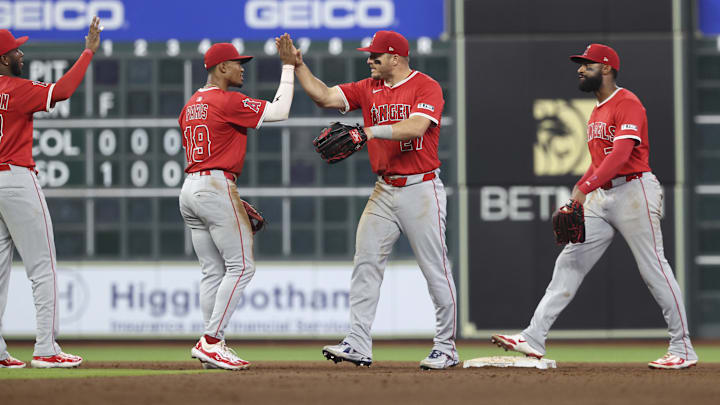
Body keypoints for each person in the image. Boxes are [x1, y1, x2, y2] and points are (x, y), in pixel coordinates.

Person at [491, 44, 699, 370]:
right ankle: (534, 336)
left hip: (635, 190)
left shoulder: (627, 103)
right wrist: (581, 189)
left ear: (606, 68)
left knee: (653, 268)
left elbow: (620, 155)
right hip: (604, 196)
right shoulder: (597, 111)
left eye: (586, 64)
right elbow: (599, 162)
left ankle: (682, 347)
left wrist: (583, 189)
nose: (579, 69)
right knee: (570, 262)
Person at [290, 30, 458, 370]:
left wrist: (369, 131)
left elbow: (415, 127)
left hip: (421, 188)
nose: (369, 61)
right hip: (384, 189)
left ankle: (446, 347)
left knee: (434, 270)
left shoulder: (426, 86)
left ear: (395, 58)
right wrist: (297, 65)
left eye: (375, 56)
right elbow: (323, 96)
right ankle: (358, 342)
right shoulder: (368, 88)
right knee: (365, 264)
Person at [179, 34, 296, 370]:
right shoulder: (226, 100)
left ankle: (211, 345)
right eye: (238, 64)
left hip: (190, 188)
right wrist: (288, 66)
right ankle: (212, 341)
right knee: (242, 267)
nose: (243, 69)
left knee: (212, 271)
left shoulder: (190, 105)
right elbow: (280, 111)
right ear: (221, 67)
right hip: (215, 184)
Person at [0, 18, 102, 369]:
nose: (21, 53)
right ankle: (46, 348)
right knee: (42, 267)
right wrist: (88, 52)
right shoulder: (15, 87)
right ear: (2, 59)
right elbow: (61, 91)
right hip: (15, 179)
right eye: (15, 49)